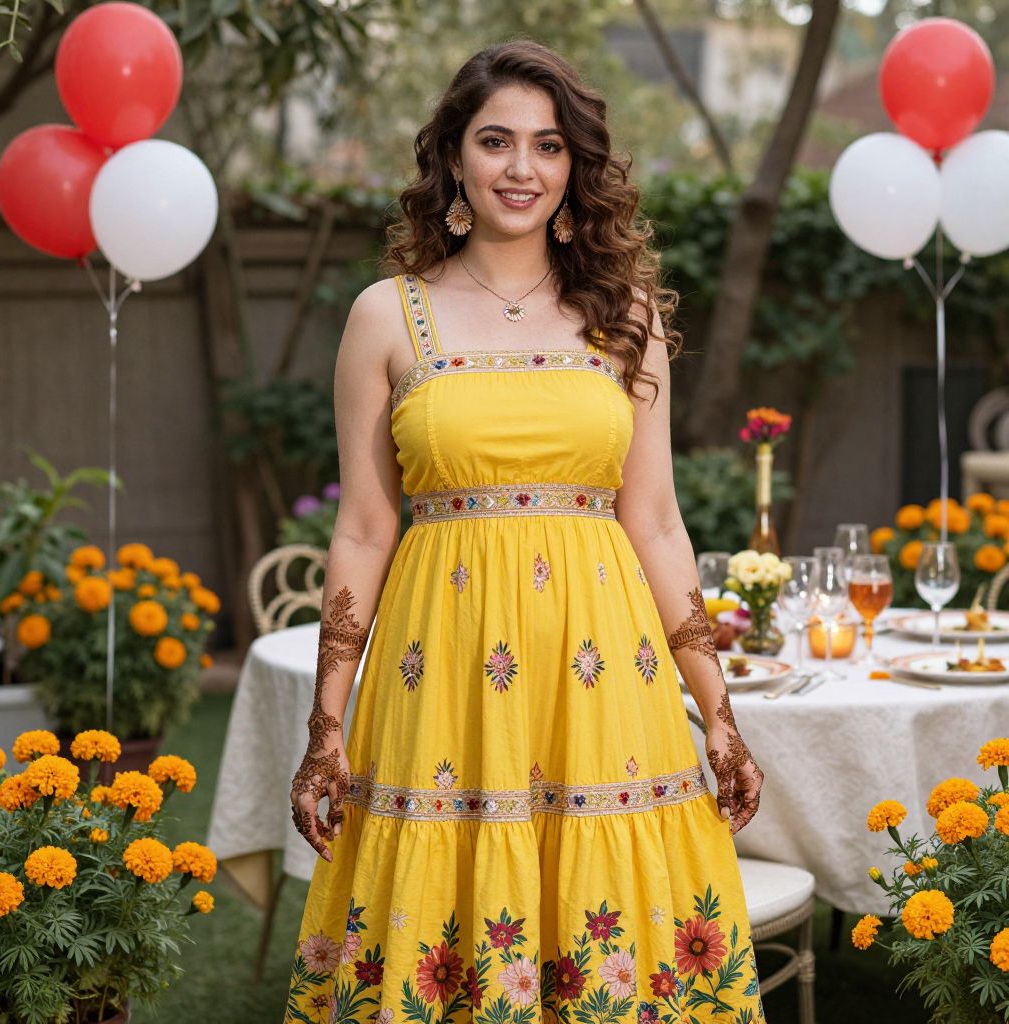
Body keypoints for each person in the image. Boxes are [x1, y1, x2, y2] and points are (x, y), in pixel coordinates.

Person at [283, 38, 765, 1024]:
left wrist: (718, 711)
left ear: (574, 167)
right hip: (442, 675)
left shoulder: (625, 316)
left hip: (602, 676)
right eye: (495, 140)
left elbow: (655, 521)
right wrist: (326, 726)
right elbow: (364, 531)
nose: (522, 168)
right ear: (453, 157)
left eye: (548, 146)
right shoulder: (387, 316)